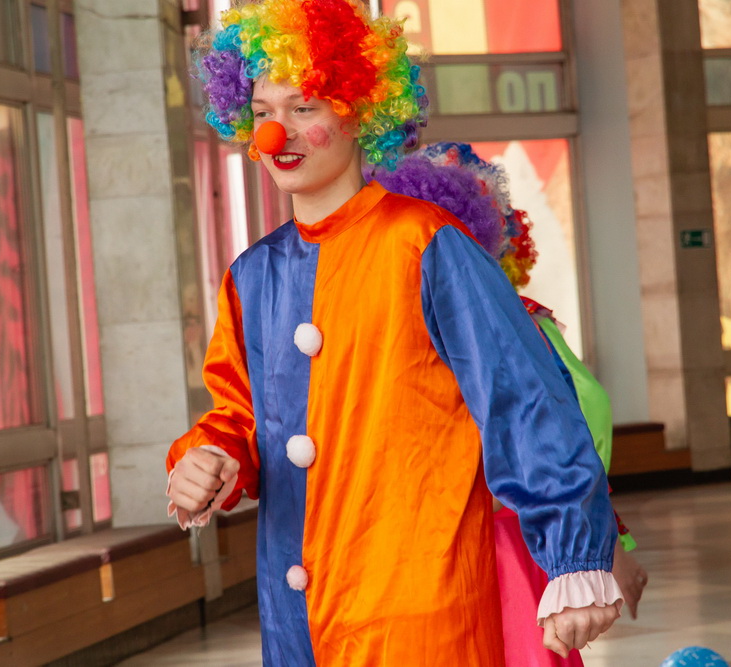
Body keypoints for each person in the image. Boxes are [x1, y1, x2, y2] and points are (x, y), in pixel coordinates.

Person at [165, 1, 622, 664]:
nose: (275, 133)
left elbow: (522, 399)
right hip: (298, 624)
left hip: (420, 612)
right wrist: (207, 458)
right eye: (262, 112)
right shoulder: (252, 277)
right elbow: (239, 416)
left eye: (304, 107)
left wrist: (573, 556)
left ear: (360, 111)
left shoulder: (427, 244)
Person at [373, 144, 648, 667]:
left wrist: (606, 545)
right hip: (447, 551)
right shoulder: (395, 341)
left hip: (512, 543)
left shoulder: (521, 323)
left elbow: (562, 435)